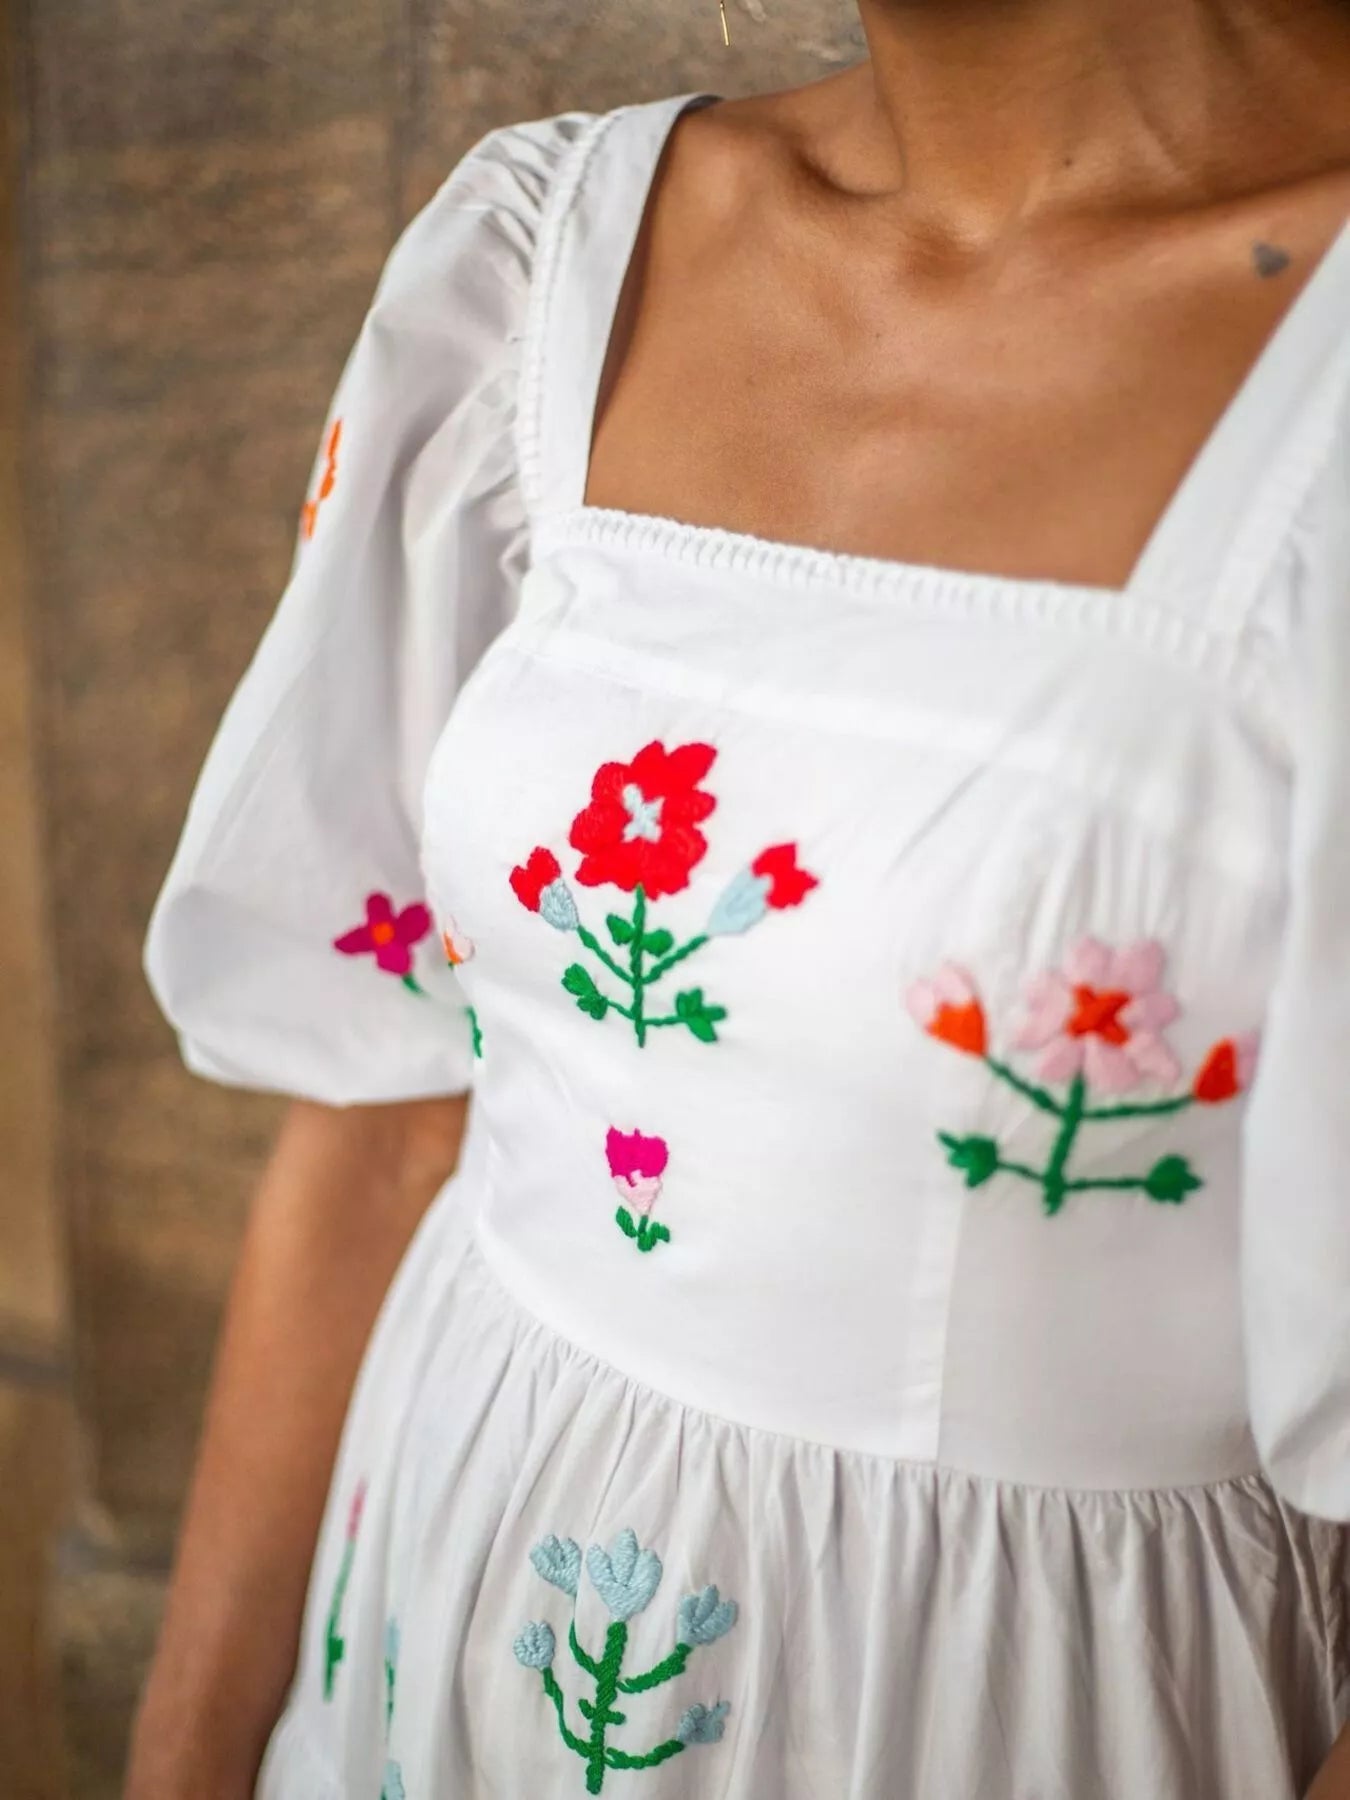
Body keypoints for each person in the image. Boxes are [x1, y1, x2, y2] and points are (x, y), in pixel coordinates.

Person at [126, 2, 1350, 1794]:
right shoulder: (542, 256)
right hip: (423, 1649)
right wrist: (181, 1764)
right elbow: (383, 1123)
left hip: (1003, 1717)